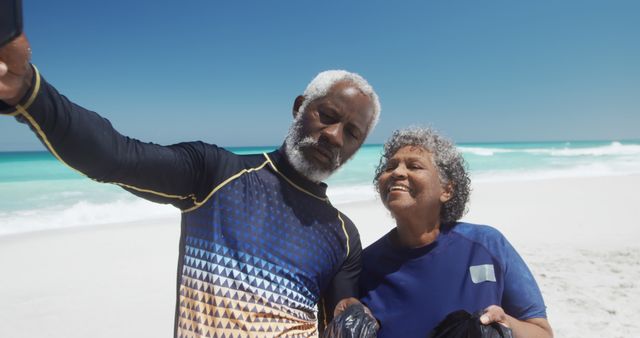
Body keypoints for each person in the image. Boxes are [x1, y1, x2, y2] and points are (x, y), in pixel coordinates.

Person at [0, 35, 381, 337]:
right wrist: (28, 92)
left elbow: (341, 311)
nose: (333, 136)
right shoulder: (216, 175)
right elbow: (114, 156)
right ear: (300, 106)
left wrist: (353, 314)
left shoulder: (343, 235)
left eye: (351, 133)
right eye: (327, 116)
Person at [358, 127, 553, 338]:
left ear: (446, 190)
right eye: (390, 167)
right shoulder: (365, 265)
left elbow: (541, 331)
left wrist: (506, 324)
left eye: (414, 166)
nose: (397, 172)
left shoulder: (487, 245)